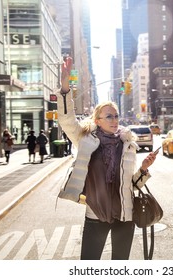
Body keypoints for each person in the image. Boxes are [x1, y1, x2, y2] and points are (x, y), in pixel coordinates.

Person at [56, 56, 157, 260]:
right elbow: (67, 121)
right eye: (108, 116)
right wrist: (65, 87)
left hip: (124, 217)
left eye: (116, 116)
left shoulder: (127, 144)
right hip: (95, 215)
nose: (114, 120)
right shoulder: (86, 139)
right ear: (97, 120)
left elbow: (131, 186)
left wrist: (144, 169)